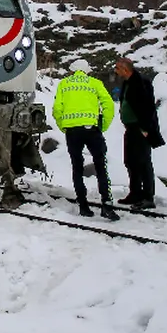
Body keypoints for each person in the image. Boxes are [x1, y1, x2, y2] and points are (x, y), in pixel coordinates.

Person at [51, 58, 119, 221]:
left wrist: (64, 126)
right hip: (92, 129)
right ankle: (107, 204)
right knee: (100, 166)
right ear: (87, 71)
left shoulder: (64, 84)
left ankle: (83, 205)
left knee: (77, 167)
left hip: (73, 131)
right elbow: (108, 105)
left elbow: (57, 110)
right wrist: (102, 126)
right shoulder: (94, 83)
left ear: (72, 71)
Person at [113, 57, 164, 209]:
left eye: (117, 68)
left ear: (125, 69)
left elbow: (147, 107)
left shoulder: (140, 82)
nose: (116, 71)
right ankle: (135, 192)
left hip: (140, 128)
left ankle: (148, 196)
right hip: (130, 128)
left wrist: (146, 128)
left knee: (143, 162)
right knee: (130, 161)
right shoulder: (127, 82)